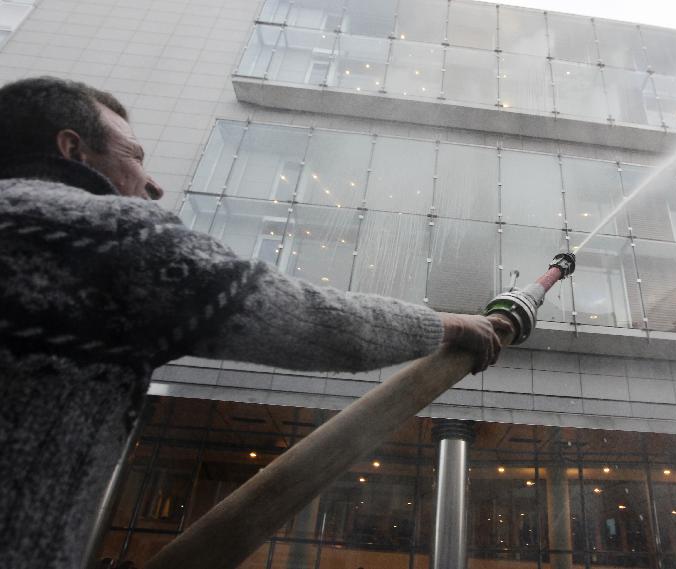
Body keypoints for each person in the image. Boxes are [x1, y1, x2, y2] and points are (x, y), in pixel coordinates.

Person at [0, 76, 511, 569]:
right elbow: (318, 324)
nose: (153, 185)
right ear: (72, 150)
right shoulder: (112, 236)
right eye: (133, 156)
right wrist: (449, 325)